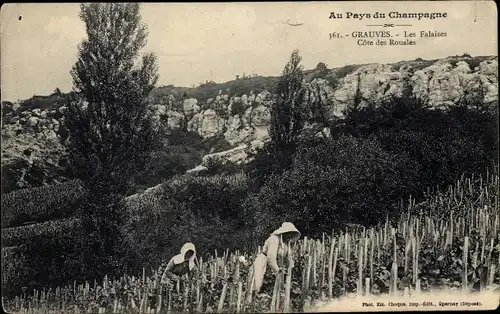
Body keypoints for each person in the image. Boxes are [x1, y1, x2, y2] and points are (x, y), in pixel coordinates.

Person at [251, 222, 301, 294]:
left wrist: (291, 268)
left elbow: (288, 257)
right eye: (289, 233)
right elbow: (271, 258)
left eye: (291, 233)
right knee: (257, 284)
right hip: (263, 261)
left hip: (276, 263)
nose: (290, 235)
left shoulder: (286, 243)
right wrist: (277, 270)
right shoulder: (274, 239)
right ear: (284, 232)